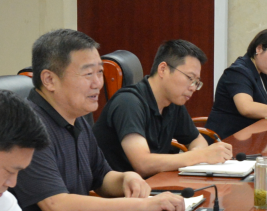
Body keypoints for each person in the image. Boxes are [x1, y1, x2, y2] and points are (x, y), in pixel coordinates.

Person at [11, 29, 184, 211]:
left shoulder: (76, 117)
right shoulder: (26, 127)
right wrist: (143, 205)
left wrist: (126, 179)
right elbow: (58, 207)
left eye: (100, 72)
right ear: (49, 80)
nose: (98, 83)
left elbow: (101, 177)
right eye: (88, 74)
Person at [94, 39, 233, 176]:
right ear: (163, 69)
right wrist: (201, 156)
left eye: (196, 82)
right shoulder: (128, 103)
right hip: (119, 188)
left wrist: (199, 154)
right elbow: (143, 164)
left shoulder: (173, 102)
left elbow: (197, 141)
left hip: (154, 182)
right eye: (190, 78)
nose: (193, 88)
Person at [204, 28, 267, 139]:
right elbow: (247, 108)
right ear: (259, 49)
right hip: (227, 139)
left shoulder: (261, 72)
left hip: (249, 138)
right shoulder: (238, 72)